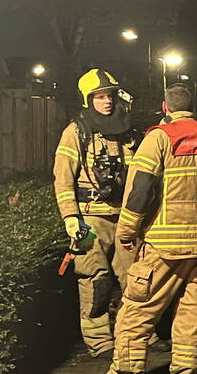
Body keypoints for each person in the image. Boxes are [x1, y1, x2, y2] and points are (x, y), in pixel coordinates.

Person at [93, 83, 197, 374]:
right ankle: (186, 372)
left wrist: (126, 231)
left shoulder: (159, 138)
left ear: (165, 108)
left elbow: (140, 190)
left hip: (165, 243)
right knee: (193, 310)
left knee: (138, 308)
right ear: (191, 107)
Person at [53, 69, 141, 357]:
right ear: (88, 99)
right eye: (99, 96)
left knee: (135, 278)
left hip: (126, 216)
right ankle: (100, 342)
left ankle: (135, 336)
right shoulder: (76, 132)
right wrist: (70, 218)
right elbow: (63, 179)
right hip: (91, 218)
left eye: (109, 95)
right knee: (95, 279)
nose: (106, 101)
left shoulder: (127, 131)